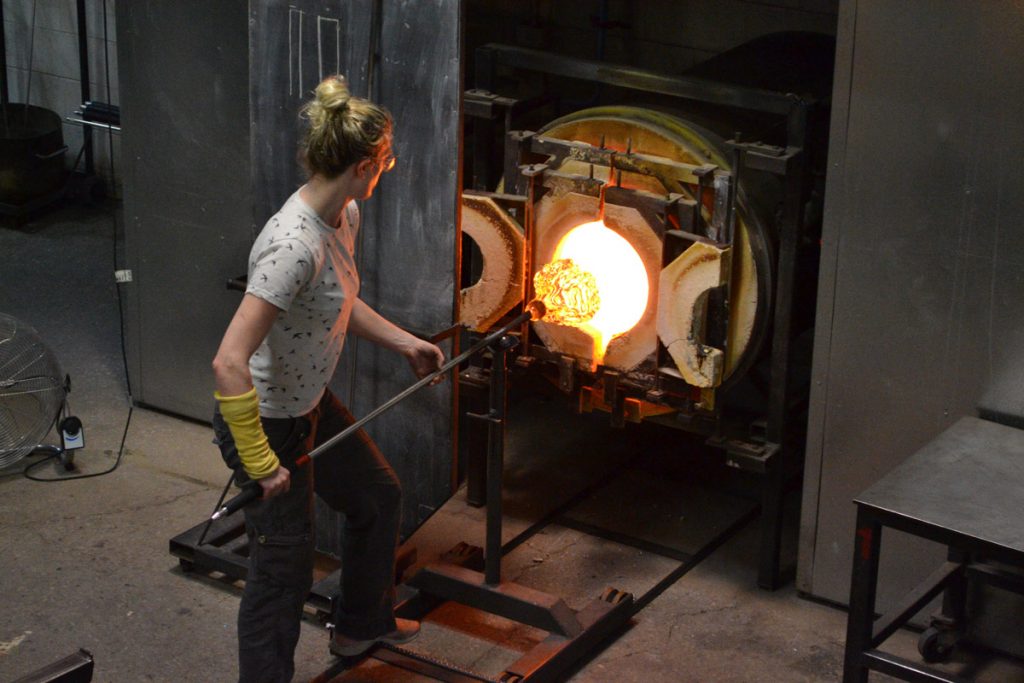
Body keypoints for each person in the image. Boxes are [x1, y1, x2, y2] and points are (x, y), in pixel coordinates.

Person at [211, 74, 445, 683]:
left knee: (376, 495)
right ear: (367, 163)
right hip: (267, 420)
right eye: (386, 162)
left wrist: (406, 343)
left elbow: (334, 304)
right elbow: (228, 362)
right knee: (282, 574)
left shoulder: (345, 215)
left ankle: (362, 624)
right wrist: (261, 463)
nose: (386, 171)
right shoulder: (294, 246)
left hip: (305, 403)